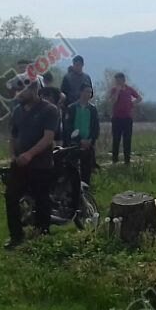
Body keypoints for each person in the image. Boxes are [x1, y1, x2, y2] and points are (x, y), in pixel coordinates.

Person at [5, 78, 61, 249]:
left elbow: (48, 138)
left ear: (34, 89)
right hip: (19, 164)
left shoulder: (49, 110)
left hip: (40, 164)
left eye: (23, 90)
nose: (19, 94)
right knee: (11, 196)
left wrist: (29, 154)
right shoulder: (17, 111)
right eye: (17, 91)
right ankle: (16, 236)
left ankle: (42, 235)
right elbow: (13, 136)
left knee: (41, 199)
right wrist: (13, 155)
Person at [63, 83, 100, 223]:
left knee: (86, 169)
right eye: (86, 91)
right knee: (72, 169)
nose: (88, 94)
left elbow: (95, 127)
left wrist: (90, 140)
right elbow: (68, 127)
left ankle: (86, 196)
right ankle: (72, 194)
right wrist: (78, 140)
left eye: (90, 92)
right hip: (74, 145)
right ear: (80, 92)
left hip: (88, 144)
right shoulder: (72, 108)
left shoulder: (93, 109)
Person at [106, 72, 141, 164]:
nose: (118, 82)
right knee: (116, 139)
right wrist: (117, 91)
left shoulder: (129, 89)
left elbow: (139, 98)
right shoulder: (114, 89)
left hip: (127, 118)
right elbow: (113, 101)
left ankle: (127, 160)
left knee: (127, 140)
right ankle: (115, 160)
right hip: (117, 118)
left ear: (123, 80)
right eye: (116, 80)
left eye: (119, 80)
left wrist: (132, 103)